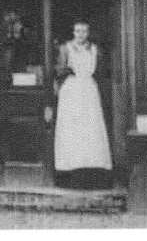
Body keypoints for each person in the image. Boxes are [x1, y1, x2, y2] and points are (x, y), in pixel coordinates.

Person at [53, 21, 112, 188]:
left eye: (84, 31)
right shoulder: (65, 49)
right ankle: (69, 170)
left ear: (88, 33)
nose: (81, 34)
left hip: (89, 91)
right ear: (73, 32)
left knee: (91, 129)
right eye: (78, 31)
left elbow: (101, 71)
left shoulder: (95, 50)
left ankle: (92, 171)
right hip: (71, 91)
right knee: (72, 129)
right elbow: (59, 70)